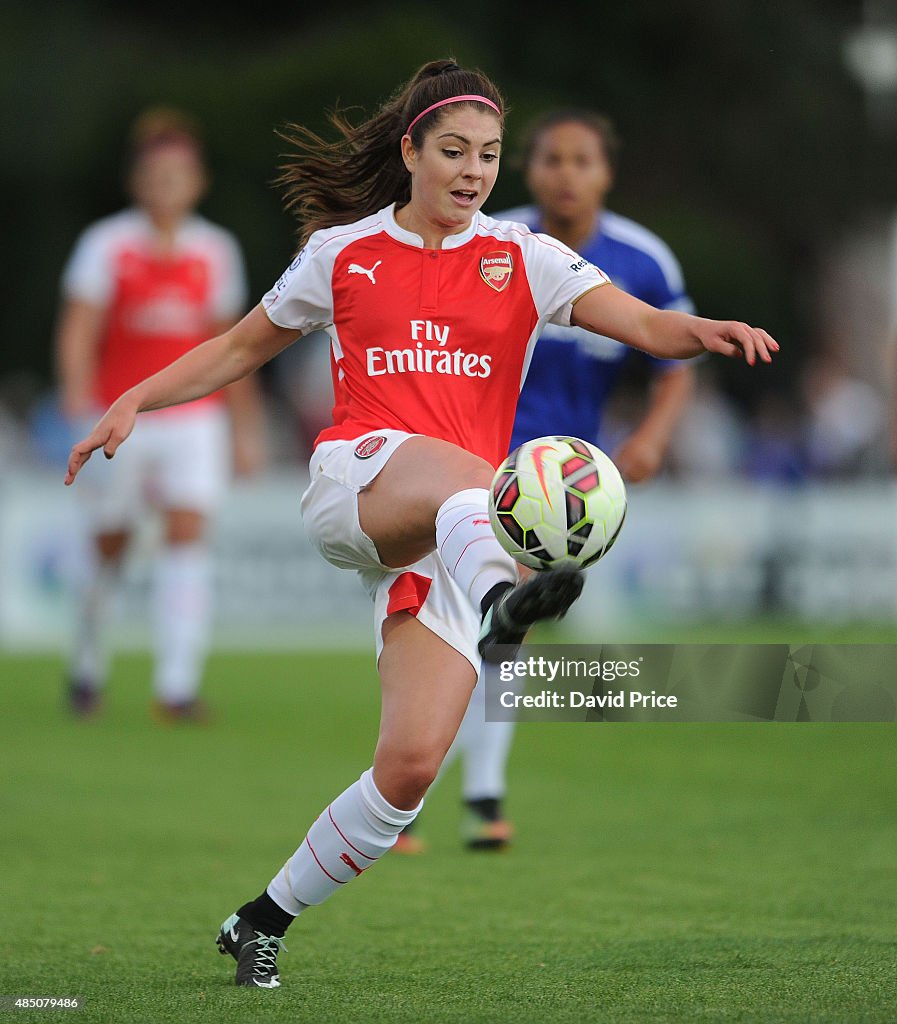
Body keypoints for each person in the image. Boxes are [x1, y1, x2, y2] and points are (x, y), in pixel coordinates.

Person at [65, 60, 777, 989]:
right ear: (409, 152)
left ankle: (261, 918)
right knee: (469, 482)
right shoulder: (343, 253)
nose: (473, 170)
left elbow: (641, 323)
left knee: (406, 773)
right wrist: (136, 399)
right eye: (452, 151)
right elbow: (238, 348)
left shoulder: (526, 258)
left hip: (448, 530)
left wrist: (705, 328)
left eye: (486, 154)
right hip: (356, 483)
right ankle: (509, 596)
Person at [397, 109, 699, 854]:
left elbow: (673, 361)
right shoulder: (493, 240)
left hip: (559, 481)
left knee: (503, 621)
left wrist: (653, 437)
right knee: (457, 619)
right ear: (528, 170)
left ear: (606, 172)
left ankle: (464, 794)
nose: (567, 174)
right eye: (552, 159)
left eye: (582, 160)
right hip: (470, 455)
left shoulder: (643, 260)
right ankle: (446, 793)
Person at [56, 107, 265, 722]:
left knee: (187, 535)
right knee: (111, 542)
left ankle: (177, 684)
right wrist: (78, 399)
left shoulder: (215, 250)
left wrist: (244, 429)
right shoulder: (106, 245)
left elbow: (232, 346)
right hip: (120, 413)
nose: (166, 185)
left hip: (194, 419)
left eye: (179, 174)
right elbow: (78, 330)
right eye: (156, 174)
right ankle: (87, 663)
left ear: (197, 182)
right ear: (137, 181)